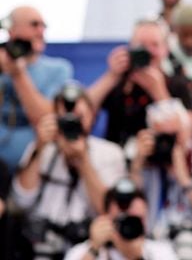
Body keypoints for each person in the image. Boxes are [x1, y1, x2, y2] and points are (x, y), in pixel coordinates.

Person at [11, 82, 126, 258]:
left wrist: (83, 161)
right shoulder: (43, 148)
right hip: (39, 246)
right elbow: (21, 200)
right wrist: (40, 148)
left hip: (86, 247)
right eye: (66, 117)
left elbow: (109, 210)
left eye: (79, 117)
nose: (73, 123)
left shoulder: (110, 153)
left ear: (93, 116)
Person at [130, 106, 192, 260]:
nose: (167, 144)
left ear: (187, 132)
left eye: (173, 136)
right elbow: (128, 209)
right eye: (162, 137)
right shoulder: (149, 166)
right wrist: (137, 165)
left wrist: (184, 179)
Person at [87, 20, 192, 148]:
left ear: (165, 49)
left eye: (154, 45)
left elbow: (186, 135)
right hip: (118, 158)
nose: (148, 52)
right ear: (131, 48)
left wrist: (159, 92)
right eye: (142, 45)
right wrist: (111, 76)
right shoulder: (117, 81)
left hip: (161, 161)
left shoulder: (178, 84)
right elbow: (84, 109)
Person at [0, 6, 73, 171]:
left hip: (33, 170)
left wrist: (18, 74)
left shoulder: (58, 69)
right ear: (11, 30)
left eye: (43, 26)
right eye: (34, 25)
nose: (41, 31)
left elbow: (46, 118)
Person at [64, 178, 178, 260]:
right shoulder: (85, 251)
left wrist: (136, 257)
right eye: (124, 219)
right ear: (106, 218)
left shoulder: (160, 252)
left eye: (136, 220)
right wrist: (94, 249)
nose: (129, 225)